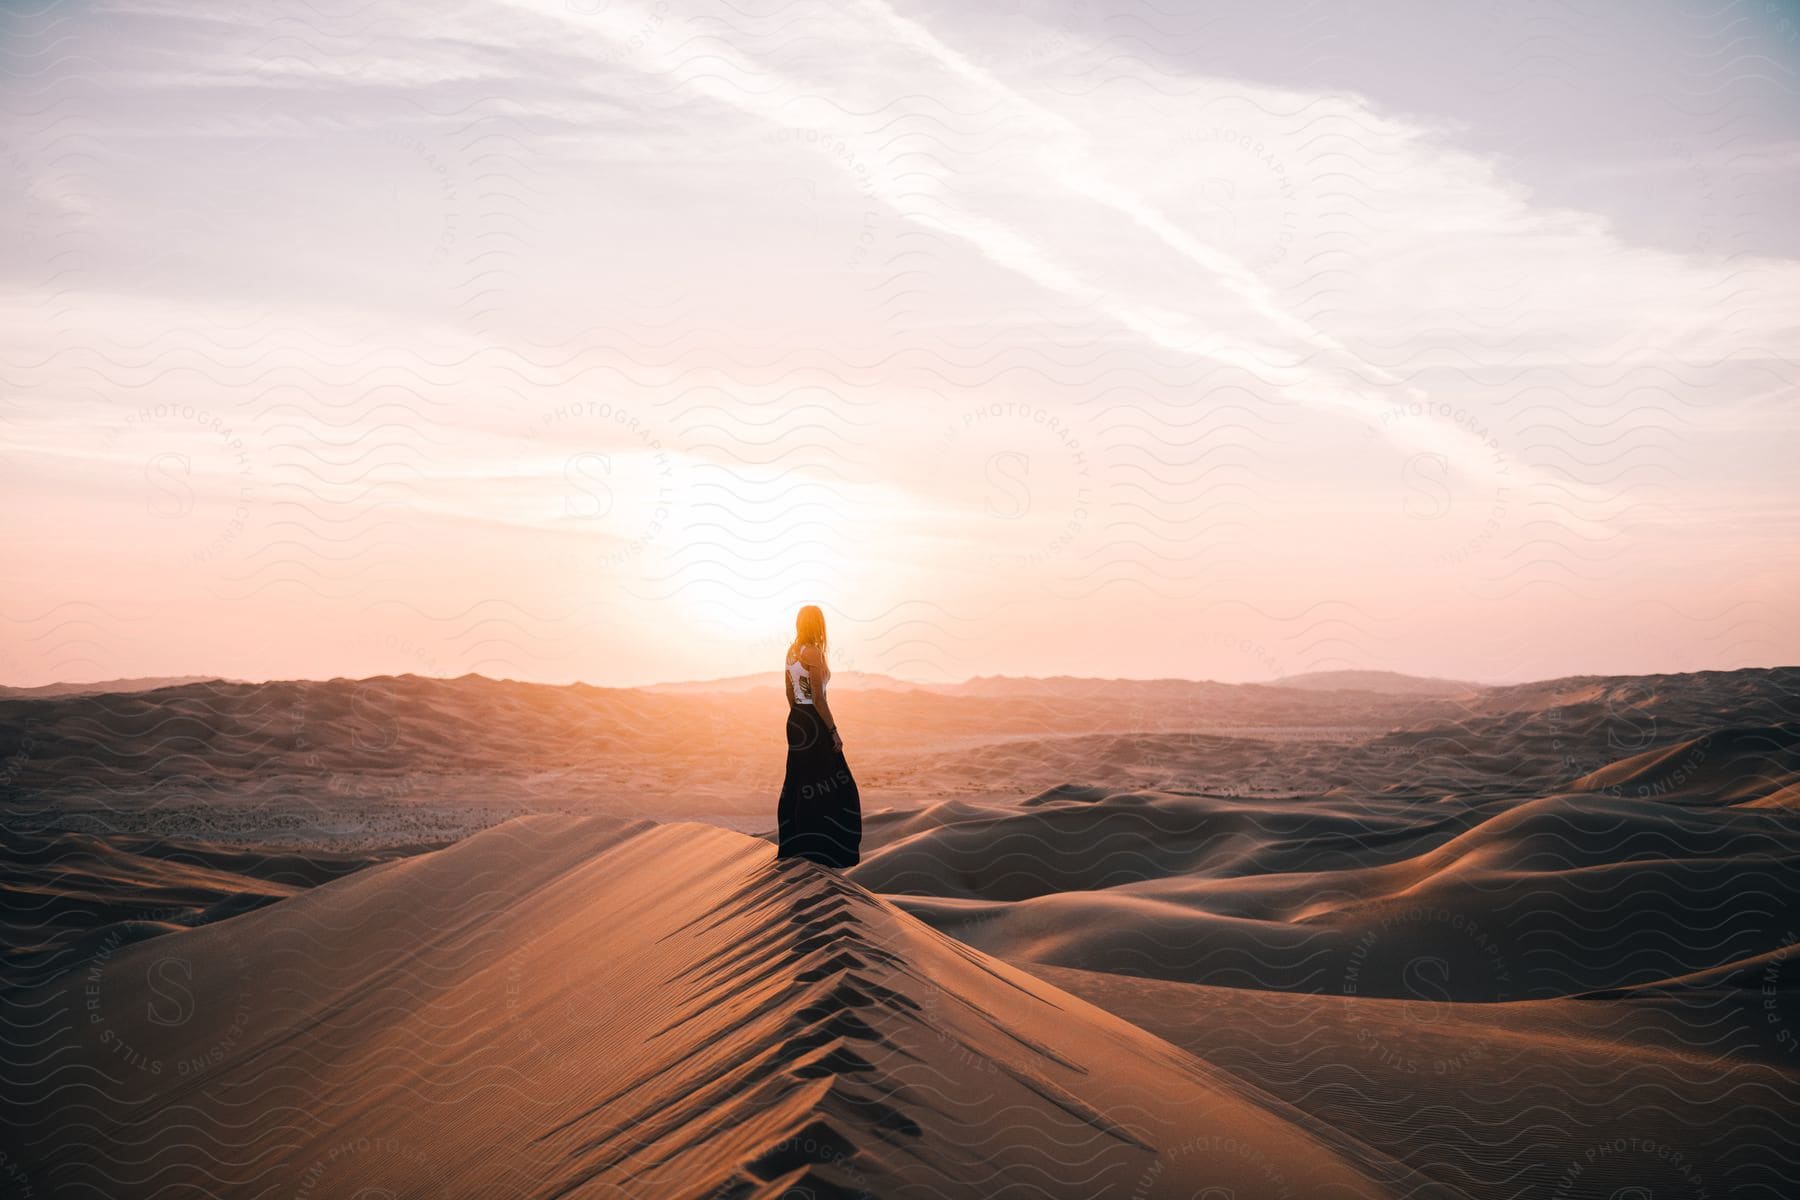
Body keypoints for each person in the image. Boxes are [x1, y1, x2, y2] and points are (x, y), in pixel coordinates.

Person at [776, 605, 862, 867]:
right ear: (818, 625)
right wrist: (832, 731)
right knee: (837, 783)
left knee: (801, 783)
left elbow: (790, 694)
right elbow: (819, 698)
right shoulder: (812, 652)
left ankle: (798, 844)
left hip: (796, 721)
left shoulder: (792, 652)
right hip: (813, 720)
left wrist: (798, 720)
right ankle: (822, 850)